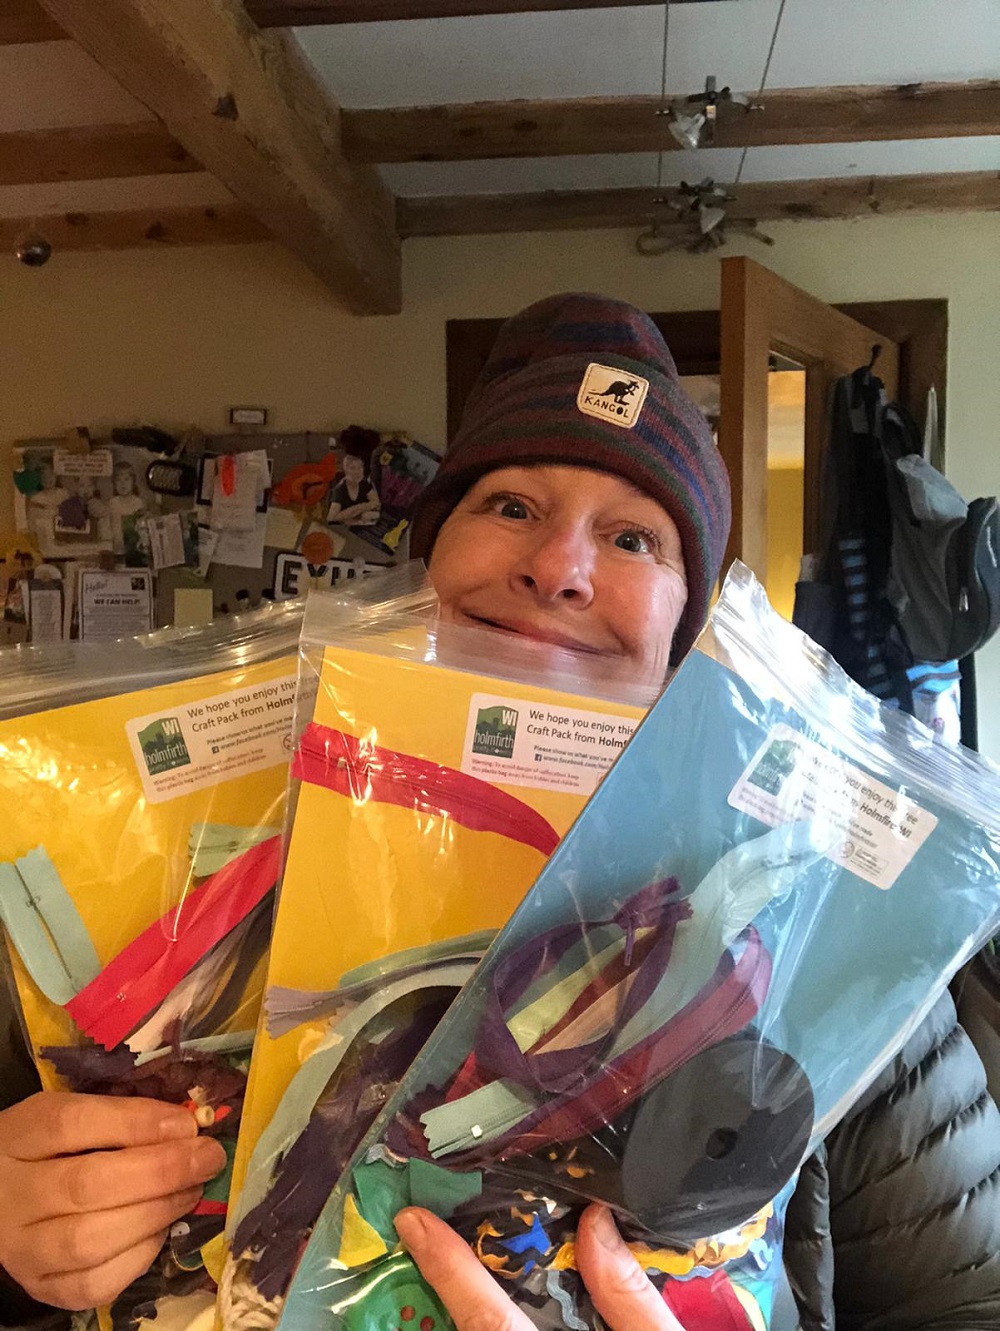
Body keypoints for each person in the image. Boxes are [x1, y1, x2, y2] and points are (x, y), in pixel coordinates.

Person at [1, 294, 998, 1329]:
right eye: (512, 506)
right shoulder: (178, 878)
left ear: (685, 627)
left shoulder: (813, 944)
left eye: (632, 538)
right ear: (423, 568)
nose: (559, 568)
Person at [327, 452, 381, 527]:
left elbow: (376, 502)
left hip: (361, 524)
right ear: (345, 470)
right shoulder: (340, 490)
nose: (357, 472)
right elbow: (332, 518)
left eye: (360, 467)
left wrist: (360, 509)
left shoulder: (364, 483)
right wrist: (357, 509)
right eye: (352, 468)